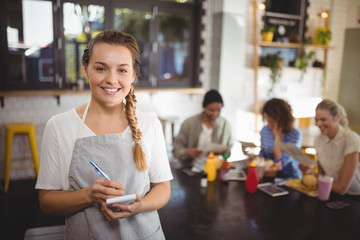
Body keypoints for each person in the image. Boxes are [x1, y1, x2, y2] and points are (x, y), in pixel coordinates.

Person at [35, 30, 173, 239]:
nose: (111, 79)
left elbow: (162, 187)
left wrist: (139, 206)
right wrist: (89, 195)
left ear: (133, 75)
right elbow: (46, 202)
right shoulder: (59, 126)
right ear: (85, 69)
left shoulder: (149, 123)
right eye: (101, 68)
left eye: (122, 70)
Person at [304, 99, 360, 195]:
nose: (318, 124)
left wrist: (315, 179)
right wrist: (311, 172)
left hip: (353, 197)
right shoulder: (318, 140)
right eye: (317, 119)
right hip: (329, 191)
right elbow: (322, 174)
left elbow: (341, 188)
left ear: (337, 117)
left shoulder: (351, 139)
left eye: (323, 119)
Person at [172, 89, 233, 167]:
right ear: (204, 107)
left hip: (215, 169)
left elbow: (228, 155)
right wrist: (188, 153)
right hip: (189, 168)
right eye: (211, 110)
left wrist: (224, 155)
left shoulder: (226, 126)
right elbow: (176, 151)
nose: (215, 114)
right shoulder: (188, 123)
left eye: (218, 110)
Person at [257, 98, 302, 179]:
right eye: (267, 121)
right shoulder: (265, 130)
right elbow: (262, 156)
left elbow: (280, 164)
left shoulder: (295, 135)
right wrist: (250, 156)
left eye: (271, 121)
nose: (269, 125)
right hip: (268, 176)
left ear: (282, 120)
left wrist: (277, 138)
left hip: (289, 180)